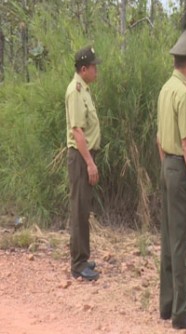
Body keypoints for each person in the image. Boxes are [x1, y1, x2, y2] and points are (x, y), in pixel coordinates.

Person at [156, 29, 186, 330]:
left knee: (167, 240)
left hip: (167, 168)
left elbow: (159, 138)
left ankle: (167, 304)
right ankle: (181, 312)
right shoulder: (184, 93)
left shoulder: (165, 89)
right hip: (180, 171)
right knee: (180, 243)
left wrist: (167, 169)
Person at [65, 46, 101, 281]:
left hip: (85, 155)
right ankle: (78, 264)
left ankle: (83, 257)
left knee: (84, 208)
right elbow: (77, 131)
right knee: (79, 209)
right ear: (84, 69)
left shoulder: (84, 89)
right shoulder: (76, 90)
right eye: (94, 66)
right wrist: (89, 163)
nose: (97, 70)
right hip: (80, 157)